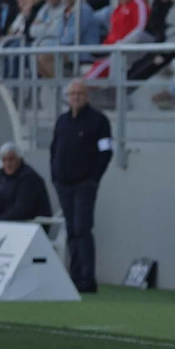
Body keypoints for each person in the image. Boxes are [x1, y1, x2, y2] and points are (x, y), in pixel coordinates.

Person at [49, 79, 112, 294]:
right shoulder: (62, 121)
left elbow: (106, 151)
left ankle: (87, 278)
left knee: (82, 228)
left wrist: (94, 178)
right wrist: (54, 175)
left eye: (80, 93)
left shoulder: (98, 121)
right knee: (71, 230)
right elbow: (54, 149)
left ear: (87, 96)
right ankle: (74, 275)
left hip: (84, 184)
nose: (75, 97)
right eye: (72, 94)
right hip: (63, 184)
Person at [0, 142, 52, 222]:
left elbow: (22, 210)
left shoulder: (29, 178)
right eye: (4, 160)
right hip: (11, 220)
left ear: (19, 160)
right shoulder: (3, 176)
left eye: (11, 159)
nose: (8, 164)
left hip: (32, 223)